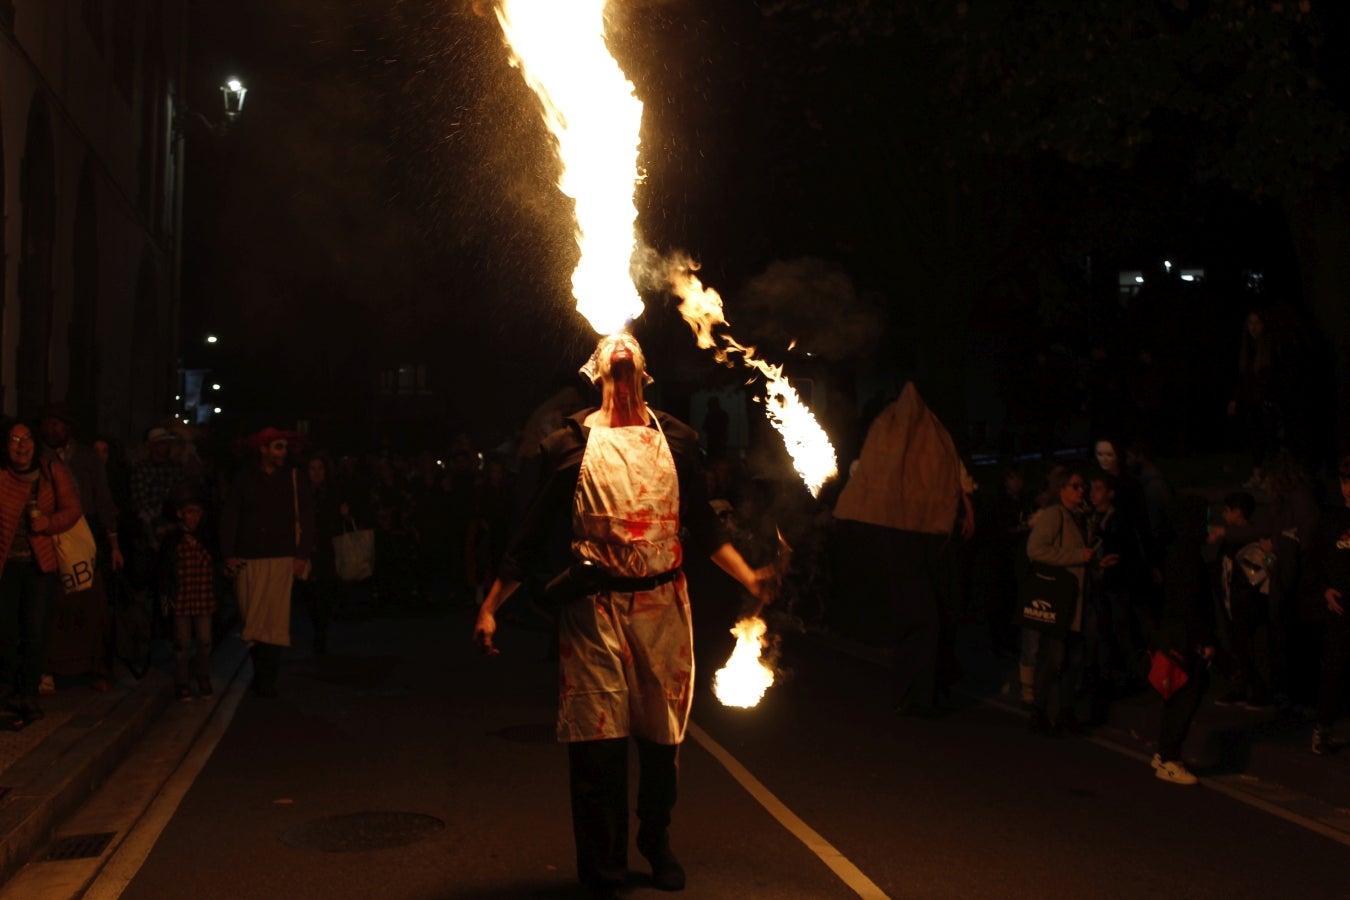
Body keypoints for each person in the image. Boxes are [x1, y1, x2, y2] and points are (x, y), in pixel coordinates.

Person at [473, 332, 774, 899]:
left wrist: (751, 576)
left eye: (630, 348)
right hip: (592, 611)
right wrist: (490, 607)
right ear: (599, 373)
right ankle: (604, 872)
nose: (621, 348)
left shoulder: (678, 440)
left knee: (661, 745)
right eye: (611, 351)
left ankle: (655, 843)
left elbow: (704, 531)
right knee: (598, 749)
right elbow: (529, 540)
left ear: (643, 370)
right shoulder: (567, 444)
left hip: (662, 608)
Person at [831, 382, 977, 718]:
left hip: (923, 540)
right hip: (903, 542)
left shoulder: (932, 441)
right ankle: (914, 694)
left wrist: (966, 509)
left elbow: (954, 477)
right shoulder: (893, 433)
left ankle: (924, 692)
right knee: (921, 620)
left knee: (929, 618)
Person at [220, 427, 316, 698]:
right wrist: (229, 554)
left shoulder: (293, 478)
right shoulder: (245, 479)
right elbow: (231, 516)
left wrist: (301, 556)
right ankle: (262, 675)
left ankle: (266, 681)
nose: (282, 452)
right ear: (263, 449)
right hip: (249, 557)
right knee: (251, 621)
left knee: (273, 622)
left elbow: (307, 518)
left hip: (281, 557)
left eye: (284, 447)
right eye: (277, 447)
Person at [0, 419, 84, 727]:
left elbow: (73, 509)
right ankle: (8, 694)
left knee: (35, 632)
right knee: (5, 632)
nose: (21, 446)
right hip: (6, 566)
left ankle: (28, 693)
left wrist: (47, 523)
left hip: (40, 566)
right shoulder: (2, 475)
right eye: (13, 439)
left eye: (26, 439)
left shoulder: (51, 472)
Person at [36, 404, 123, 692]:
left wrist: (113, 542)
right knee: (54, 604)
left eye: (58, 424)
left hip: (86, 532)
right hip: (50, 534)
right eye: (49, 424)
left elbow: (102, 497)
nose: (53, 430)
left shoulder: (85, 457)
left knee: (92, 602)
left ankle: (96, 668)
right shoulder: (38, 459)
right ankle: (49, 668)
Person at [1026, 467, 1118, 736]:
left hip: (1080, 600)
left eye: (1083, 486)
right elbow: (1037, 550)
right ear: (1061, 489)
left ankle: (1066, 712)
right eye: (1076, 486)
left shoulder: (1078, 517)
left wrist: (1096, 563)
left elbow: (1081, 557)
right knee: (1053, 657)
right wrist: (1078, 556)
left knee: (1074, 659)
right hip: (1060, 601)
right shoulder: (1055, 516)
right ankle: (1039, 712)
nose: (1082, 491)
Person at [1150, 494, 1217, 785]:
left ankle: (1165, 752)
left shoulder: (1176, 550)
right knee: (1187, 692)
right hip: (1185, 635)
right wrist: (1205, 640)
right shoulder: (1189, 555)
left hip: (1173, 631)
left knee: (1177, 692)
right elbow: (1192, 602)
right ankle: (1169, 757)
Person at [1309, 453, 1350, 755]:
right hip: (1339, 609)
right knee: (1333, 668)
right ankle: (1323, 728)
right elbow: (1315, 561)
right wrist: (1325, 590)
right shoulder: (1331, 519)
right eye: (1345, 481)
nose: (1347, 488)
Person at [157, 498, 216, 701]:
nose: (194, 517)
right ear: (181, 513)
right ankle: (182, 681)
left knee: (205, 640)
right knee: (181, 642)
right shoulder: (172, 539)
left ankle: (202, 676)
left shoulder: (205, 538)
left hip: (203, 594)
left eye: (197, 512)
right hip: (181, 597)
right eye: (190, 512)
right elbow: (164, 569)